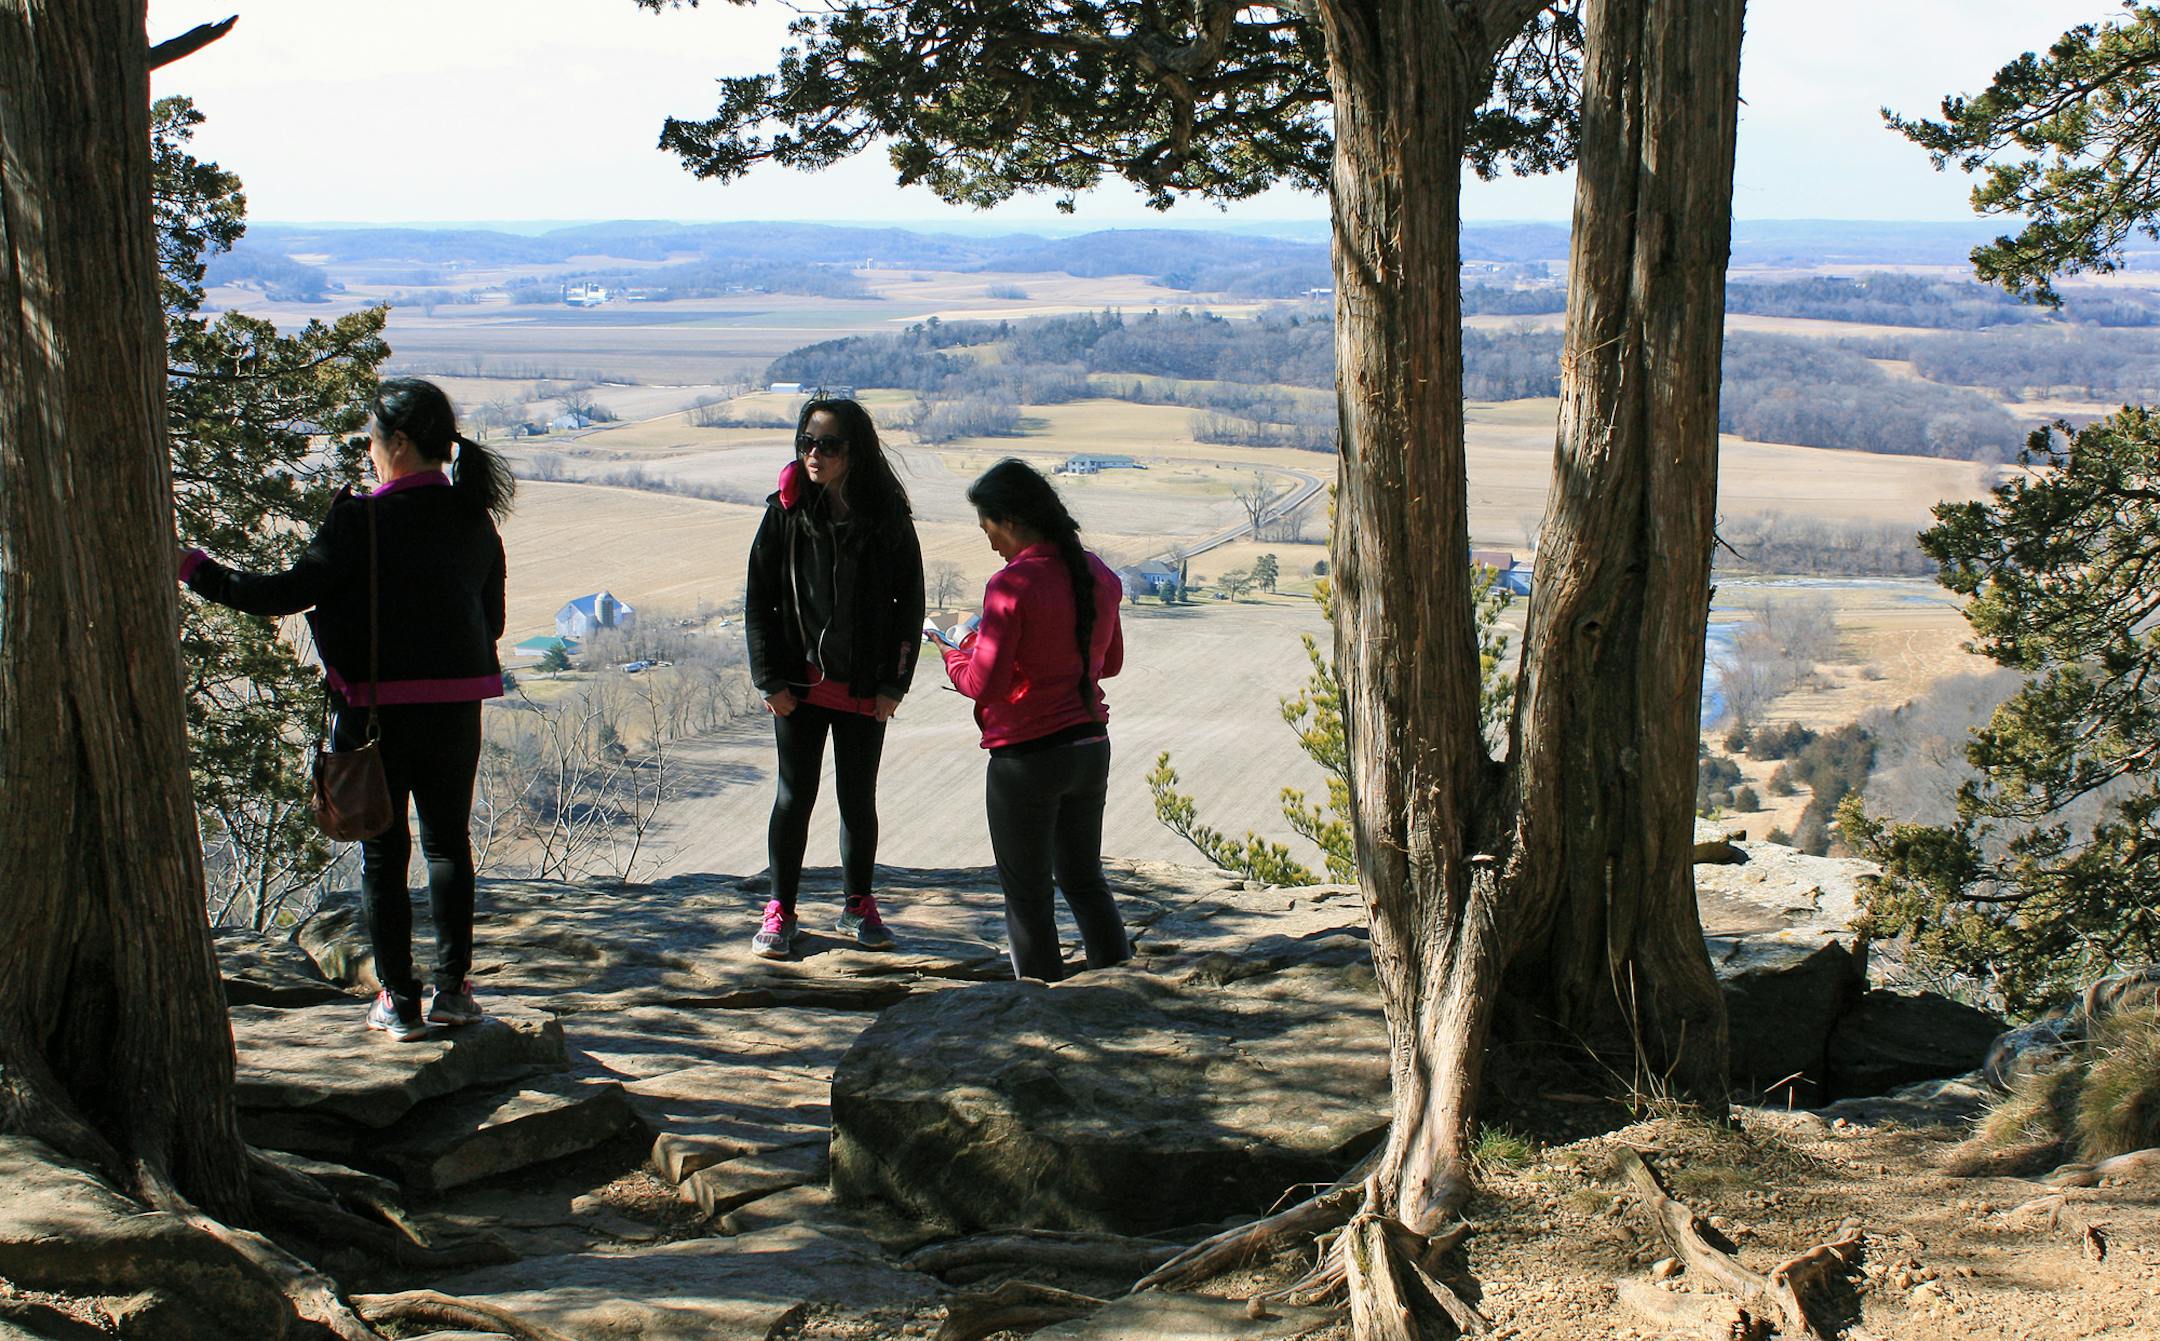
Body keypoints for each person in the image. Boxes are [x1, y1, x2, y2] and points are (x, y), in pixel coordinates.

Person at [177, 378, 512, 1042]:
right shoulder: (474, 518)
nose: (368, 452)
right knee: (448, 845)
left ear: (398, 443)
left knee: (385, 854)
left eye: (371, 439)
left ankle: (399, 1001)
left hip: (375, 716)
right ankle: (453, 992)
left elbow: (284, 593)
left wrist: (195, 569)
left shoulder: (359, 519)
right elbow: (492, 621)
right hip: (456, 709)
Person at [744, 398, 924, 958]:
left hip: (865, 689)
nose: (814, 454)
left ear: (855, 451)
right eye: (806, 442)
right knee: (792, 798)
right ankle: (781, 910)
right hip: (798, 687)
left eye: (828, 444)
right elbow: (760, 602)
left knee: (857, 799)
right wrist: (768, 679)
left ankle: (857, 905)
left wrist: (895, 685)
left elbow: (908, 608)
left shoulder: (888, 517)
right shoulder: (785, 512)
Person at [938, 458, 1129, 982]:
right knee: (1085, 879)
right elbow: (1109, 663)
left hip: (1026, 757)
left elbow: (985, 685)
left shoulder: (1011, 584)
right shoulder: (1099, 573)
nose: (991, 544)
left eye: (989, 529)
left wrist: (952, 650)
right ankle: (1123, 989)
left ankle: (1041, 1010)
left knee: (1027, 896)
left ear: (1012, 520)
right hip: (1089, 746)